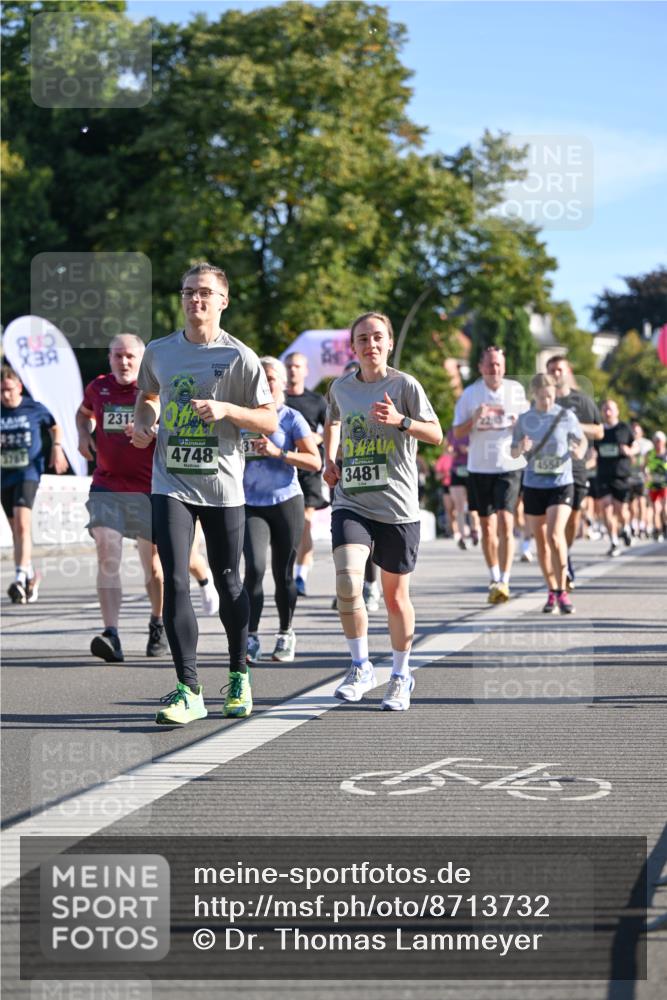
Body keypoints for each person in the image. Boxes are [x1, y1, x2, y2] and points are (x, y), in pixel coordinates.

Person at [132, 262, 276, 725]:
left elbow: (268, 419)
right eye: (189, 291)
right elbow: (147, 394)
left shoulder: (240, 357)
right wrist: (143, 420)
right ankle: (188, 689)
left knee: (229, 578)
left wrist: (227, 409)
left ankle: (238, 674)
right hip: (169, 481)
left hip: (222, 486)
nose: (196, 300)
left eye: (205, 293)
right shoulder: (159, 351)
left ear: (223, 301)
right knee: (174, 576)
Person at [323, 311, 442, 712]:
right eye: (362, 339)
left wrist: (401, 420)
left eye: (377, 338)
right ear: (352, 347)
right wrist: (329, 460)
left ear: (388, 343)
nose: (370, 345)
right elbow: (333, 419)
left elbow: (436, 434)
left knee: (395, 599)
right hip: (352, 501)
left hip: (397, 506)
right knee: (347, 583)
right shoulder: (341, 387)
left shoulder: (405, 384)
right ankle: (360, 666)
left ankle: (401, 674)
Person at [77, 334, 168, 661]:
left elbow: (174, 428)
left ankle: (157, 622)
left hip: (150, 488)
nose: (124, 362)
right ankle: (111, 634)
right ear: (109, 358)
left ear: (143, 359)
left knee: (154, 568)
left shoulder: (156, 390)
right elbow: (83, 413)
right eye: (117, 356)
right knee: (107, 550)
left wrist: (153, 431)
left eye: (130, 356)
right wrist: (83, 433)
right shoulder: (98, 387)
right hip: (108, 485)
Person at [241, 357, 321, 663]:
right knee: (255, 570)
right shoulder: (243, 418)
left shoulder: (291, 418)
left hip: (286, 501)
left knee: (283, 573)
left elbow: (315, 462)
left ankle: (286, 633)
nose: (266, 383)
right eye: (260, 378)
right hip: (251, 504)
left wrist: (279, 453)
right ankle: (251, 637)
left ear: (282, 384)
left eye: (271, 378)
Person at [452, 346, 528, 603]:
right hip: (479, 467)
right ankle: (494, 576)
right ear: (481, 368)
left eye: (498, 365)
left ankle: (504, 580)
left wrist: (522, 427)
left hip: (509, 465)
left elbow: (530, 425)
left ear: (504, 367)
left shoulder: (515, 391)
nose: (494, 369)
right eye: (490, 365)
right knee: (487, 527)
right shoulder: (470, 394)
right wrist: (474, 419)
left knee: (506, 521)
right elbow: (458, 433)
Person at [511, 374, 586, 614]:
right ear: (534, 395)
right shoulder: (525, 419)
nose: (547, 401)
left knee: (555, 535)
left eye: (551, 396)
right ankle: (552, 590)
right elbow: (513, 453)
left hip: (561, 482)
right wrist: (520, 448)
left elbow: (582, 441)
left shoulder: (566, 416)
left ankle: (563, 589)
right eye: (542, 397)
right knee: (541, 544)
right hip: (534, 485)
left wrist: (578, 452)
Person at [1, 365, 68, 603]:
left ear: (19, 387)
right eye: (1, 392)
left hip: (28, 472)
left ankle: (19, 579)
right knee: (16, 530)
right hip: (4, 474)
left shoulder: (34, 407)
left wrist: (57, 448)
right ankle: (31, 575)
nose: (6, 396)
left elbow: (55, 426)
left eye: (9, 390)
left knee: (22, 524)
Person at [545, 355, 603, 588]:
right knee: (556, 523)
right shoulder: (542, 400)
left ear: (568, 370)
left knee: (573, 522)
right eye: (551, 370)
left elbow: (599, 432)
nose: (556, 374)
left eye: (559, 369)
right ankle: (561, 562)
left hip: (576, 469)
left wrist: (573, 425)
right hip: (548, 471)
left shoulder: (582, 400)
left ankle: (564, 553)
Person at [284, 351, 328, 597]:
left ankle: (300, 576)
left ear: (306, 370)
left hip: (309, 467)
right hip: (282, 466)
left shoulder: (316, 400)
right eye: (289, 366)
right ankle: (288, 570)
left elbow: (330, 429)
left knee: (304, 523)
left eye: (297, 366)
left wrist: (315, 438)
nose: (292, 371)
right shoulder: (276, 400)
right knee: (288, 525)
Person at [594, 399, 637, 557]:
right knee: (606, 507)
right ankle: (613, 541)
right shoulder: (598, 430)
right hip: (603, 475)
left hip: (621, 475)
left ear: (617, 411)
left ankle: (625, 527)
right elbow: (592, 449)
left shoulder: (624, 428)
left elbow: (635, 445)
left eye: (610, 409)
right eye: (605, 409)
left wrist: (630, 451)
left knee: (621, 509)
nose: (607, 412)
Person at [646, 431, 667, 541]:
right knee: (655, 509)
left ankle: (665, 527)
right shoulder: (650, 454)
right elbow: (644, 466)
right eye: (656, 441)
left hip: (665, 484)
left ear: (664, 442)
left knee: (665, 508)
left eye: (659, 441)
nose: (657, 443)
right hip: (653, 484)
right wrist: (646, 473)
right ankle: (657, 530)